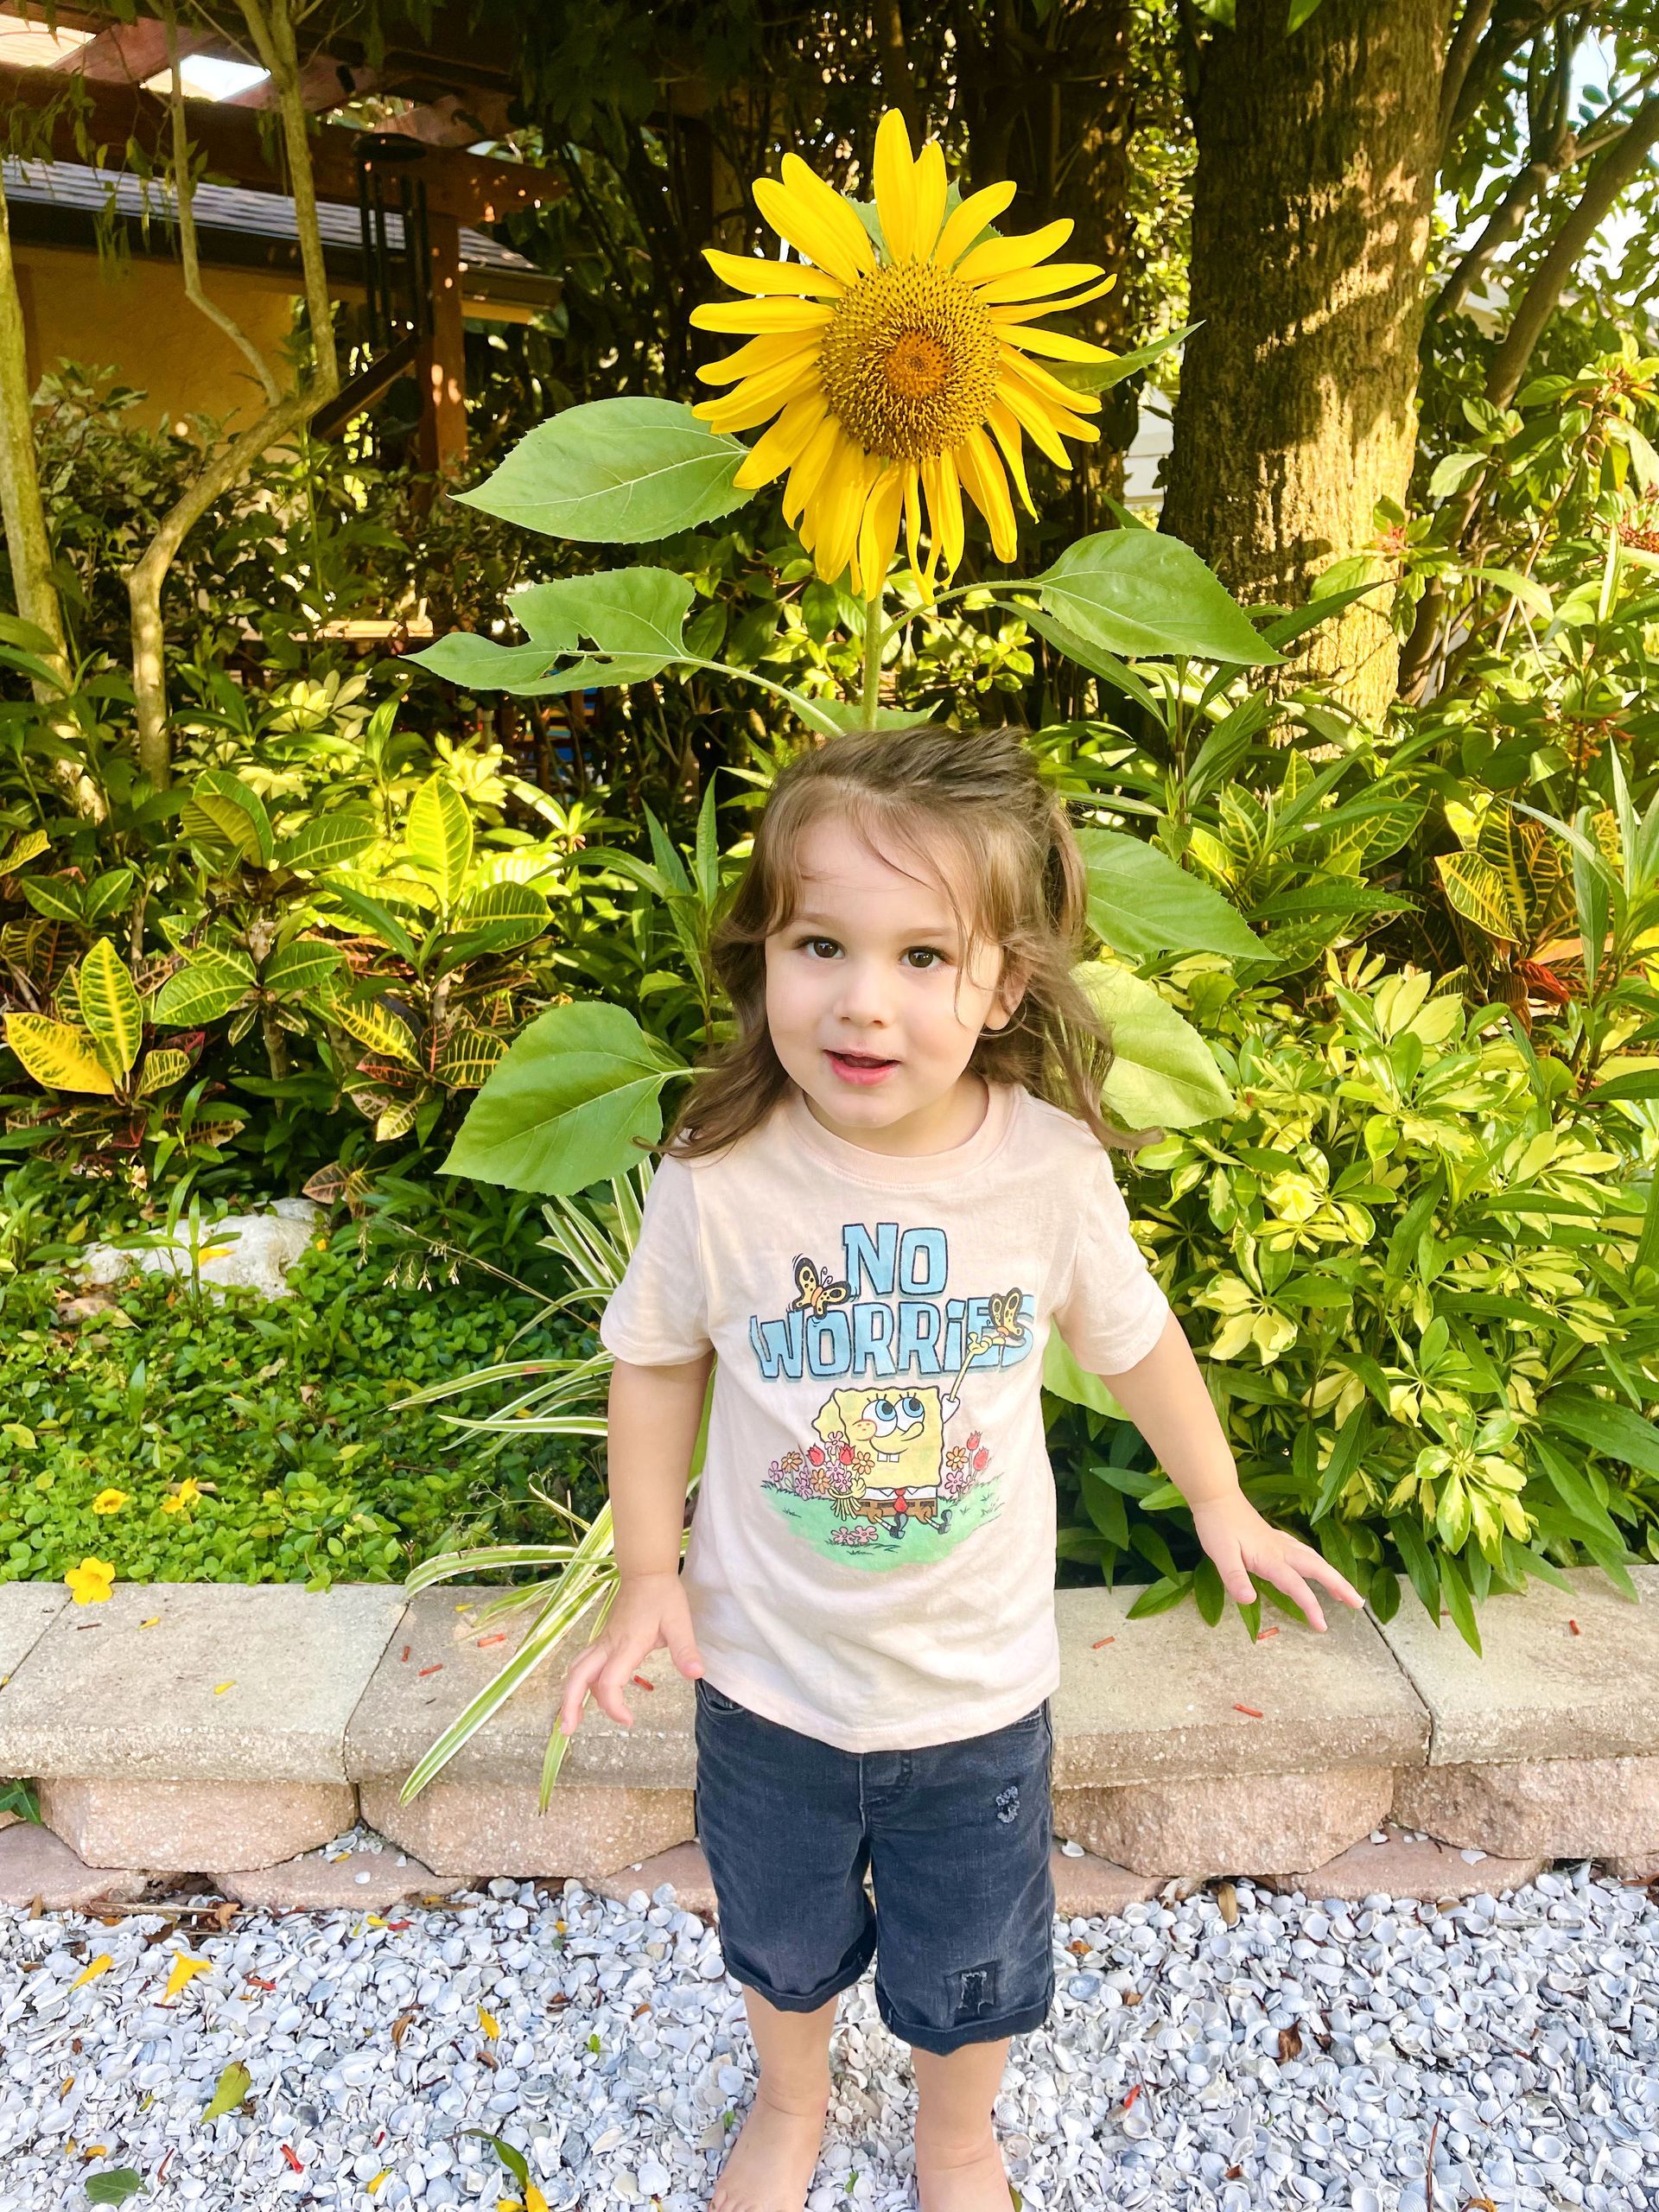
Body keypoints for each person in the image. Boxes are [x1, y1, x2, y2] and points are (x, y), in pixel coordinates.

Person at [556, 724, 1365, 2212]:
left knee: (973, 1960)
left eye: (926, 956)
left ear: (1002, 988)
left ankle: (955, 2139)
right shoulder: (714, 1176)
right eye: (821, 942)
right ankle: (791, 2105)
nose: (864, 1001)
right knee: (780, 1939)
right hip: (767, 1681)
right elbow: (656, 1361)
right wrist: (647, 1577)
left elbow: (1136, 1342)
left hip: (978, 1696)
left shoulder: (1047, 1170)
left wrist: (1220, 1499)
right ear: (765, 953)